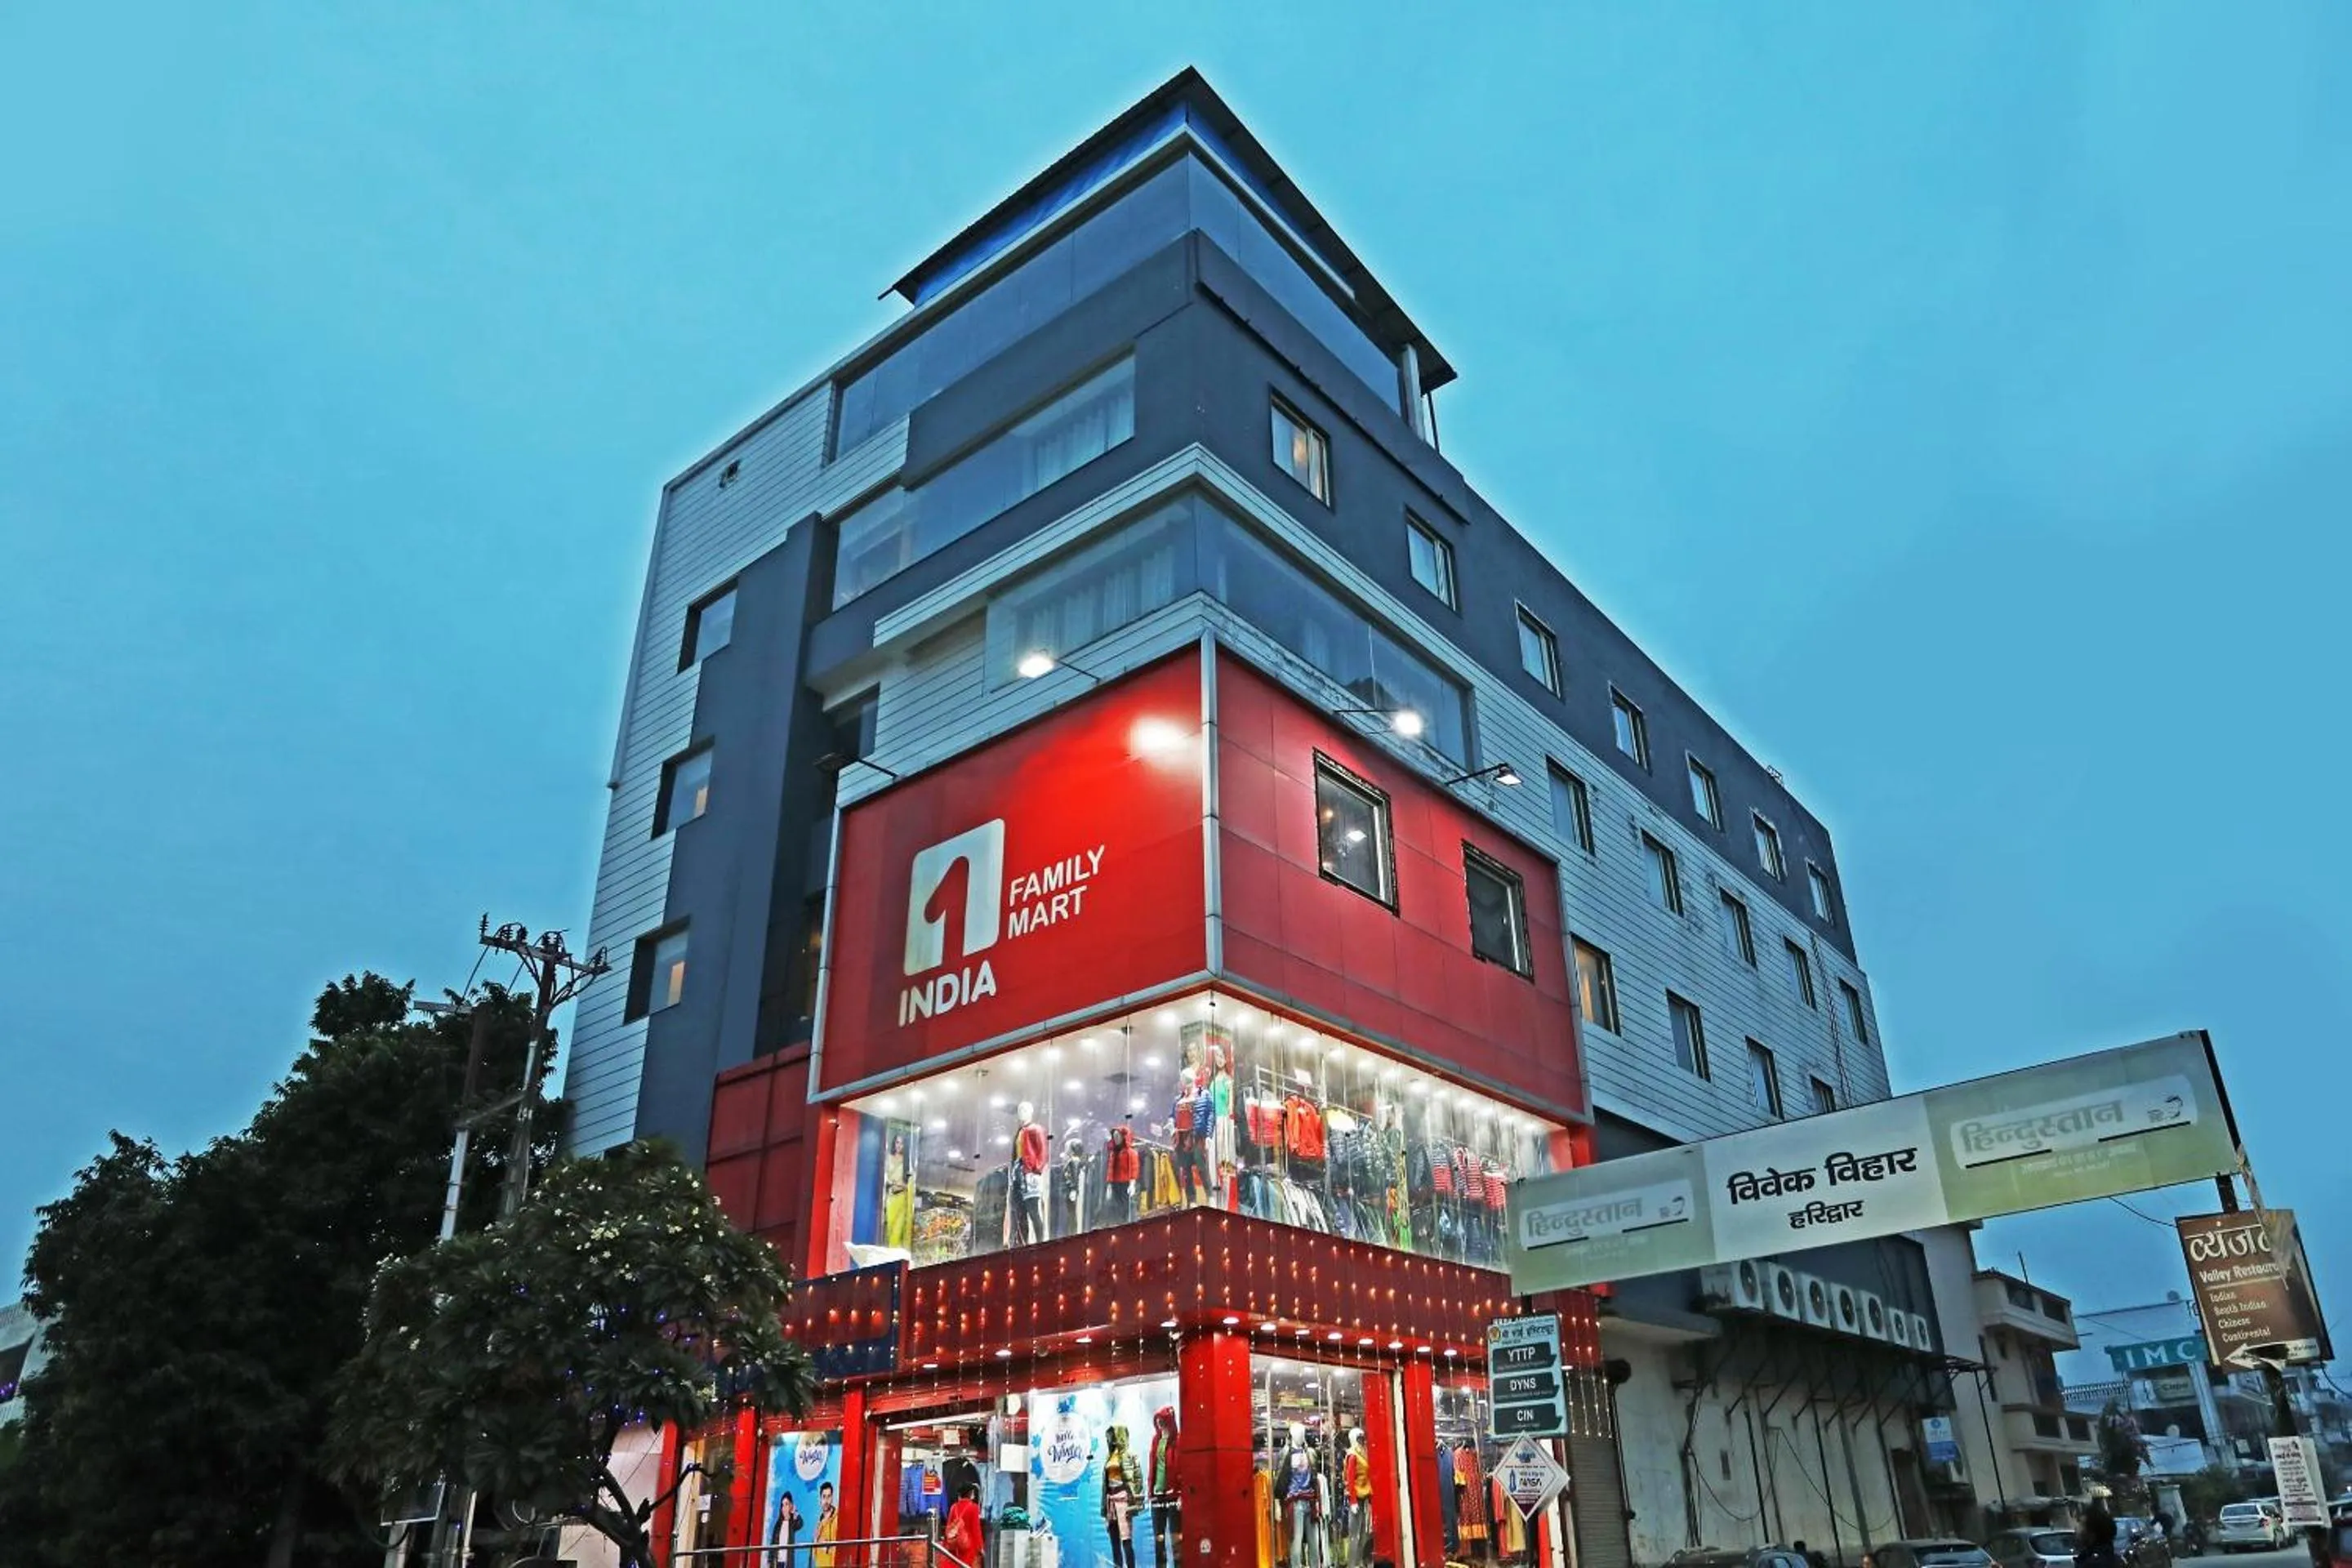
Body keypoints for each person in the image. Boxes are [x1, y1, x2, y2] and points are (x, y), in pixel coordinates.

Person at [1104, 1423, 1144, 1568]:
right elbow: (1105, 1483)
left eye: (1113, 1435)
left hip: (1124, 1499)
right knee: (1114, 1542)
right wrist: (1104, 1507)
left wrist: (1137, 1501)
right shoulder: (1109, 1456)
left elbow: (1138, 1478)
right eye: (1109, 1436)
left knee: (1126, 1541)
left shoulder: (1131, 1455)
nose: (1111, 1439)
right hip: (1111, 1501)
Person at [944, 1482, 985, 1568]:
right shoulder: (974, 1508)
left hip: (955, 1547)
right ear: (970, 1494)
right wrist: (980, 1547)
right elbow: (976, 1529)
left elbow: (949, 1526)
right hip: (969, 1548)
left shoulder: (953, 1507)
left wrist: (947, 1543)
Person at [2078, 1504, 2123, 1568]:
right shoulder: (2114, 1559)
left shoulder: (2094, 1564)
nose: (2076, 1529)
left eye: (2081, 1524)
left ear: (2092, 1533)